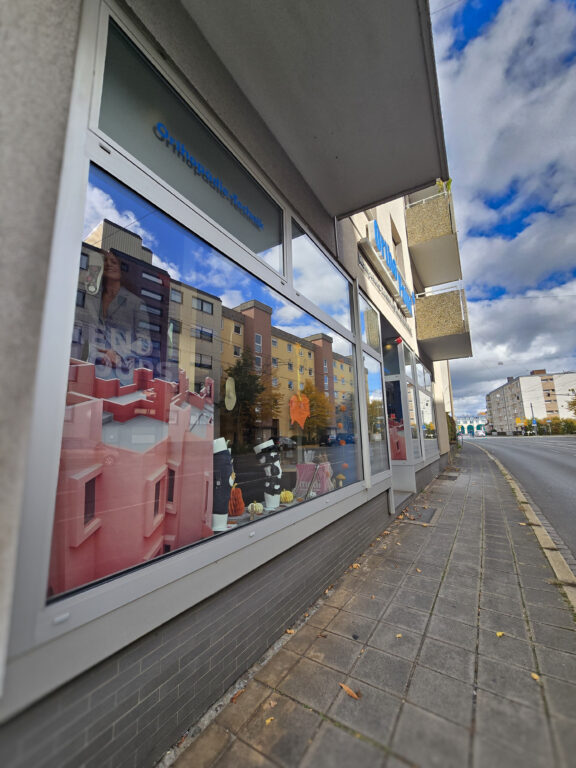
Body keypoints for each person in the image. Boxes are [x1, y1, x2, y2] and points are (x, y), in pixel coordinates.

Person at [80, 250, 152, 384]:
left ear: (121, 269)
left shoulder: (136, 303)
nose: (108, 264)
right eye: (105, 261)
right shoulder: (93, 297)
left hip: (120, 380)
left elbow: (145, 344)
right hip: (90, 374)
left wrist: (118, 352)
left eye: (113, 262)